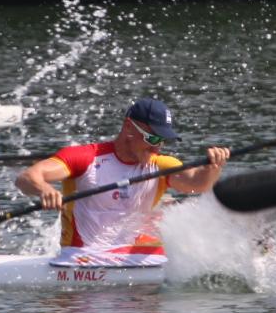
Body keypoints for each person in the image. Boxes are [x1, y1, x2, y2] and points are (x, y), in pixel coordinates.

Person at [14, 97, 230, 266]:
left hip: (135, 257)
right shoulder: (85, 158)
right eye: (152, 138)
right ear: (128, 128)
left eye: (163, 141)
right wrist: (44, 190)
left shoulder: (162, 164)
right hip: (83, 258)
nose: (157, 148)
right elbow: (26, 178)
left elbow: (199, 184)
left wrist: (213, 167)